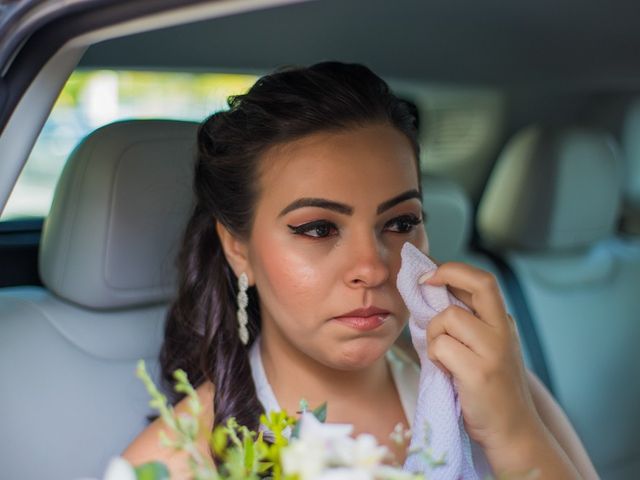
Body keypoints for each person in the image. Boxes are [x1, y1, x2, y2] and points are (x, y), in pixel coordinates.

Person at [122, 61, 598, 479]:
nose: (373, 268)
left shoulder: (493, 382)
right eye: (317, 229)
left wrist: (513, 431)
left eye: (400, 222)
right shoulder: (177, 462)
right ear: (237, 247)